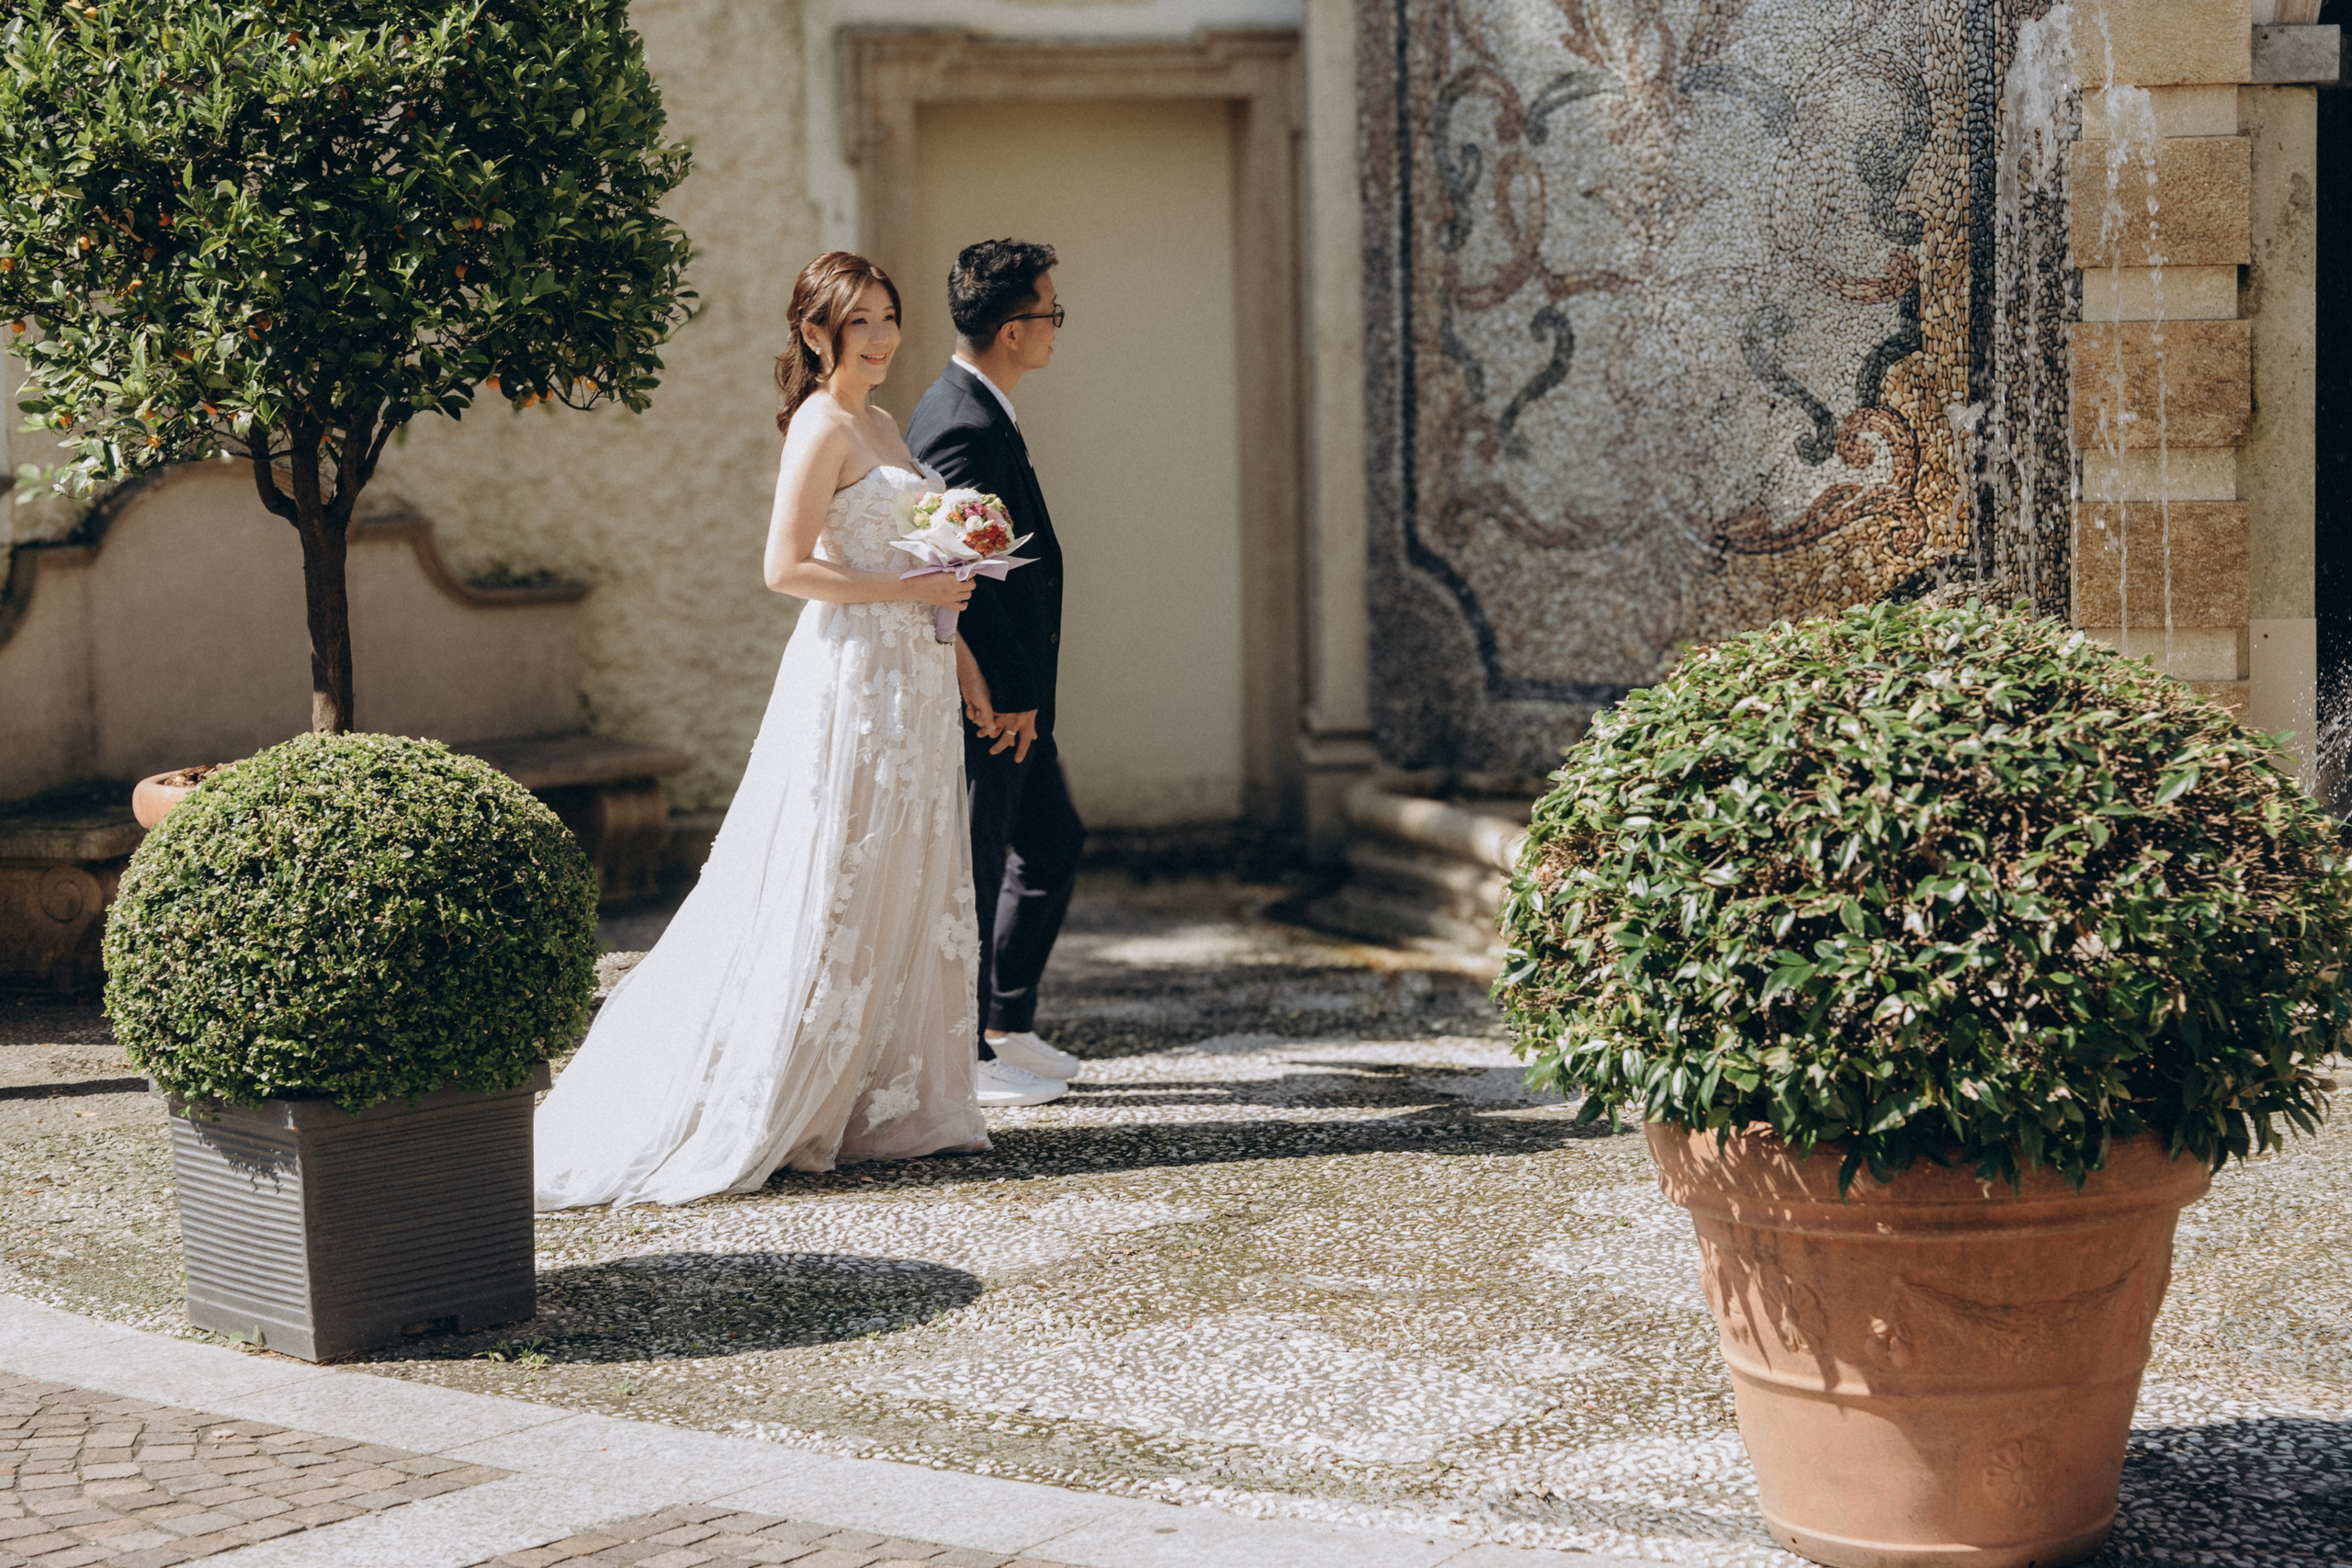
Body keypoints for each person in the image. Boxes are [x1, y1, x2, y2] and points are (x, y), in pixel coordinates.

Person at [533, 251, 988, 1209]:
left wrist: (962, 658)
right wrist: (903, 589)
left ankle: (878, 1100)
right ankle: (785, 1093)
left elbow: (922, 562)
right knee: (833, 869)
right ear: (817, 333)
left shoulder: (883, 424)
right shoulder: (821, 425)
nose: (880, 337)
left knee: (899, 871)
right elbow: (784, 567)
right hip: (855, 674)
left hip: (914, 674)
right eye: (859, 322)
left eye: (888, 317)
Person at [908, 240, 1086, 1108]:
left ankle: (1007, 1022)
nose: (1057, 328)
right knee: (978, 864)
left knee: (1050, 844)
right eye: (1052, 313)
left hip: (1021, 697)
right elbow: (959, 574)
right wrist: (1009, 694)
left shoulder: (981, 408)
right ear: (1013, 329)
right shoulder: (959, 422)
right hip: (992, 701)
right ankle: (969, 1051)